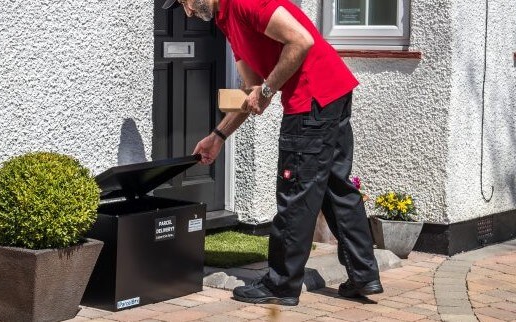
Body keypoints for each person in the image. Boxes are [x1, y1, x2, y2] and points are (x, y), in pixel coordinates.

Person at [162, 0, 383, 306]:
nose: (186, 12)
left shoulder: (244, 2)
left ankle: (281, 285)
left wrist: (267, 91)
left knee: (295, 193)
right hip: (329, 96)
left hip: (312, 101)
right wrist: (218, 135)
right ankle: (364, 275)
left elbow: (301, 40)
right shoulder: (227, 22)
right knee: (335, 188)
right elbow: (248, 87)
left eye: (184, 2)